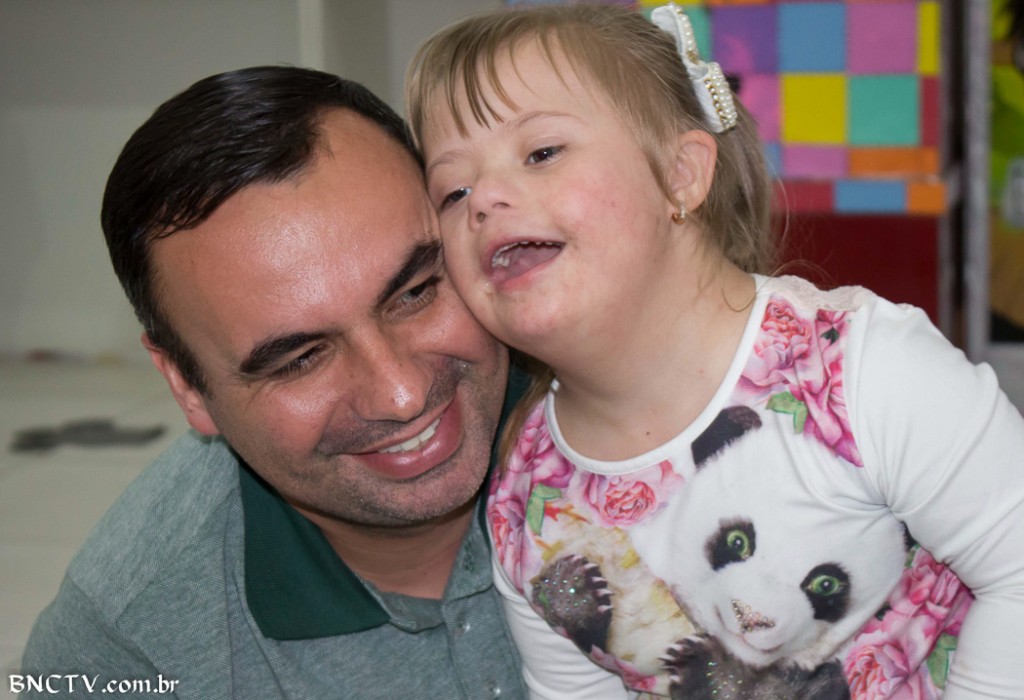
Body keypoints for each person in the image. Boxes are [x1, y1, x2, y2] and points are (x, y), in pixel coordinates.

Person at [405, 3, 1024, 698]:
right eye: (452, 191)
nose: (484, 199)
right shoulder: (529, 511)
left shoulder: (861, 370)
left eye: (541, 153)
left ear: (681, 175)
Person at [17, 66, 528, 700]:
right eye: (299, 360)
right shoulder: (126, 650)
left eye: (416, 292)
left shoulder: (633, 405)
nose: (401, 394)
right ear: (186, 386)